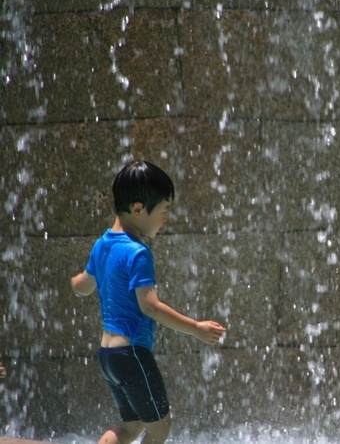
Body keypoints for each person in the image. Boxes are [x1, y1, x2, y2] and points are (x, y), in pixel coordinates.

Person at [71, 160, 227, 444]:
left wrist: (74, 282)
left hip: (108, 356)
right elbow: (150, 306)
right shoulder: (138, 253)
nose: (165, 219)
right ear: (139, 208)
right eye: (164, 211)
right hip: (132, 355)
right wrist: (196, 328)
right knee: (160, 426)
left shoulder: (102, 245)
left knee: (131, 426)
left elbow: (83, 285)